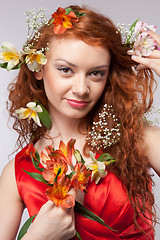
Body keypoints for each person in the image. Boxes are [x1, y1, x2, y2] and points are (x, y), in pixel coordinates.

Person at [0, 5, 160, 240]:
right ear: (38, 69)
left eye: (96, 73)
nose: (81, 89)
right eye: (66, 70)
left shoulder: (138, 137)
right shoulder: (18, 173)